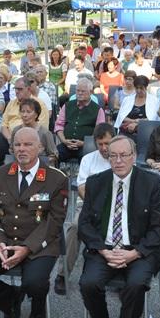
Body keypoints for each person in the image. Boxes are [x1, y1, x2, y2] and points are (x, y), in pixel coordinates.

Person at [0, 127, 67, 318]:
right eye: (17, 144)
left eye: (28, 144)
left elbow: (54, 221)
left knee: (34, 283)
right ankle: (11, 299)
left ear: (40, 147)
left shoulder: (57, 179)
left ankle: (38, 308)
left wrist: (27, 248)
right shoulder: (0, 174)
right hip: (5, 238)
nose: (21, 149)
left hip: (39, 242)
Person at [78, 136, 160, 318]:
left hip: (138, 250)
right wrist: (102, 250)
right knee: (88, 283)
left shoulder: (150, 182)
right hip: (105, 248)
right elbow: (84, 224)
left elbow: (159, 226)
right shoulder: (96, 182)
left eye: (124, 155)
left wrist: (135, 253)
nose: (118, 161)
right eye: (113, 156)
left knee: (135, 285)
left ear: (134, 157)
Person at [57, 124, 114, 295]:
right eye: (100, 144)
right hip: (89, 205)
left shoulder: (120, 158)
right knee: (75, 226)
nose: (103, 148)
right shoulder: (88, 159)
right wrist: (96, 206)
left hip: (116, 206)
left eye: (107, 143)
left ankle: (118, 271)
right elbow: (81, 188)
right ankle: (62, 274)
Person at [55, 78, 106, 162]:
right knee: (54, 155)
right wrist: (64, 141)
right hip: (66, 144)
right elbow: (59, 125)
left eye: (83, 91)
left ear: (90, 92)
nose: (79, 93)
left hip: (86, 146)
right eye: (78, 91)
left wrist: (84, 143)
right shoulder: (67, 105)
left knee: (86, 159)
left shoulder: (98, 110)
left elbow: (99, 132)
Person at [14, 98, 59, 167]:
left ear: (36, 114)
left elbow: (54, 155)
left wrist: (39, 160)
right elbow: (12, 150)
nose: (25, 115)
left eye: (28, 112)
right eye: (22, 111)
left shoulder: (45, 133)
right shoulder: (16, 131)